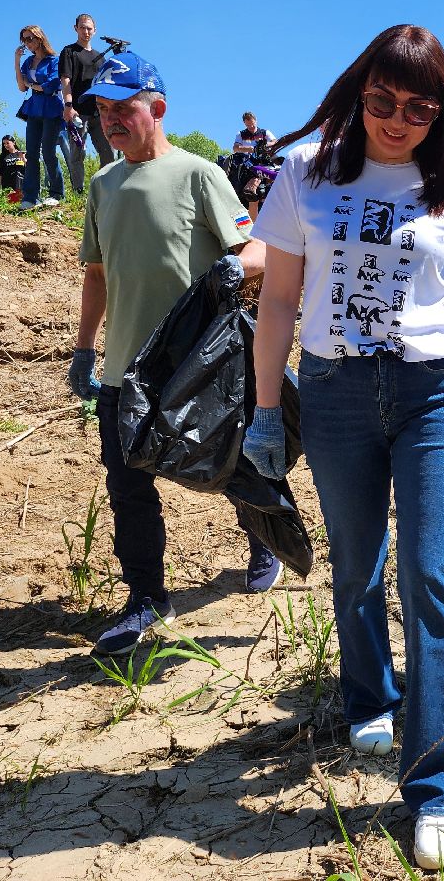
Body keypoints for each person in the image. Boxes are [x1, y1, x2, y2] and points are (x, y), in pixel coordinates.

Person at [239, 24, 444, 871]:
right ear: (359, 95)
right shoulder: (306, 175)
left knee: (432, 572)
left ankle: (439, 785)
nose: (399, 121)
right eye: (383, 102)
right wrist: (262, 405)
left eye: (419, 107)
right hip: (336, 393)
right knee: (357, 559)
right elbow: (280, 300)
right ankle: (370, 694)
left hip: (436, 391)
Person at [67, 50, 282, 656]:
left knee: (227, 466)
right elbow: (97, 274)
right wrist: (84, 349)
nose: (110, 120)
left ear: (156, 108)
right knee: (128, 486)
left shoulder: (199, 175)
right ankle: (145, 597)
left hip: (193, 367)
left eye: (123, 108)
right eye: (102, 110)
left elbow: (259, 252)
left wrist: (232, 270)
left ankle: (261, 536)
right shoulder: (103, 186)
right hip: (123, 373)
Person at [59, 14, 114, 192]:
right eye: (82, 27)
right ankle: (78, 191)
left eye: (89, 28)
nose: (86, 31)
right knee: (77, 154)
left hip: (99, 112)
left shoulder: (100, 57)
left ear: (95, 31)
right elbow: (65, 81)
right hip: (77, 112)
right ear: (76, 28)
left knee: (108, 152)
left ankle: (104, 191)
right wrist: (68, 106)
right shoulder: (69, 52)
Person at [14, 26, 65, 210]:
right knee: (32, 153)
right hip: (34, 109)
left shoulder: (54, 60)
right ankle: (30, 197)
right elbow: (22, 87)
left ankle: (56, 193)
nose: (27, 43)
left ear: (39, 38)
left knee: (48, 151)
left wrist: (32, 84)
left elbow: (50, 86)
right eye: (24, 40)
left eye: (30, 39)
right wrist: (17, 60)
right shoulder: (27, 62)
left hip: (51, 108)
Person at [0, 134, 25, 200]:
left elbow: (29, 167)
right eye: (4, 143)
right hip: (6, 185)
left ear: (14, 142)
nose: (5, 145)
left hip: (20, 184)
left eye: (7, 143)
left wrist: (23, 157)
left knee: (19, 202)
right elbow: (0, 173)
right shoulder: (2, 157)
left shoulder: (21, 154)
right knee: (9, 202)